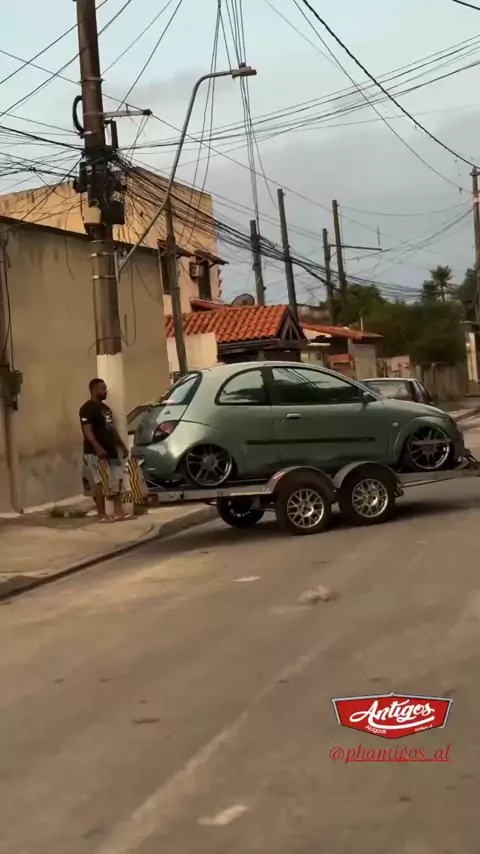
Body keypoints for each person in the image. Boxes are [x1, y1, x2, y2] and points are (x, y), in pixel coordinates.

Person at [79, 378, 130, 522]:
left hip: (111, 450)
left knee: (117, 479)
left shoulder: (105, 409)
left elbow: (112, 429)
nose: (106, 391)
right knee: (100, 482)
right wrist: (98, 447)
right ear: (94, 390)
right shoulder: (87, 409)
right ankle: (101, 513)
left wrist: (121, 446)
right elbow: (87, 431)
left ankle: (118, 511)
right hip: (95, 452)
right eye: (103, 389)